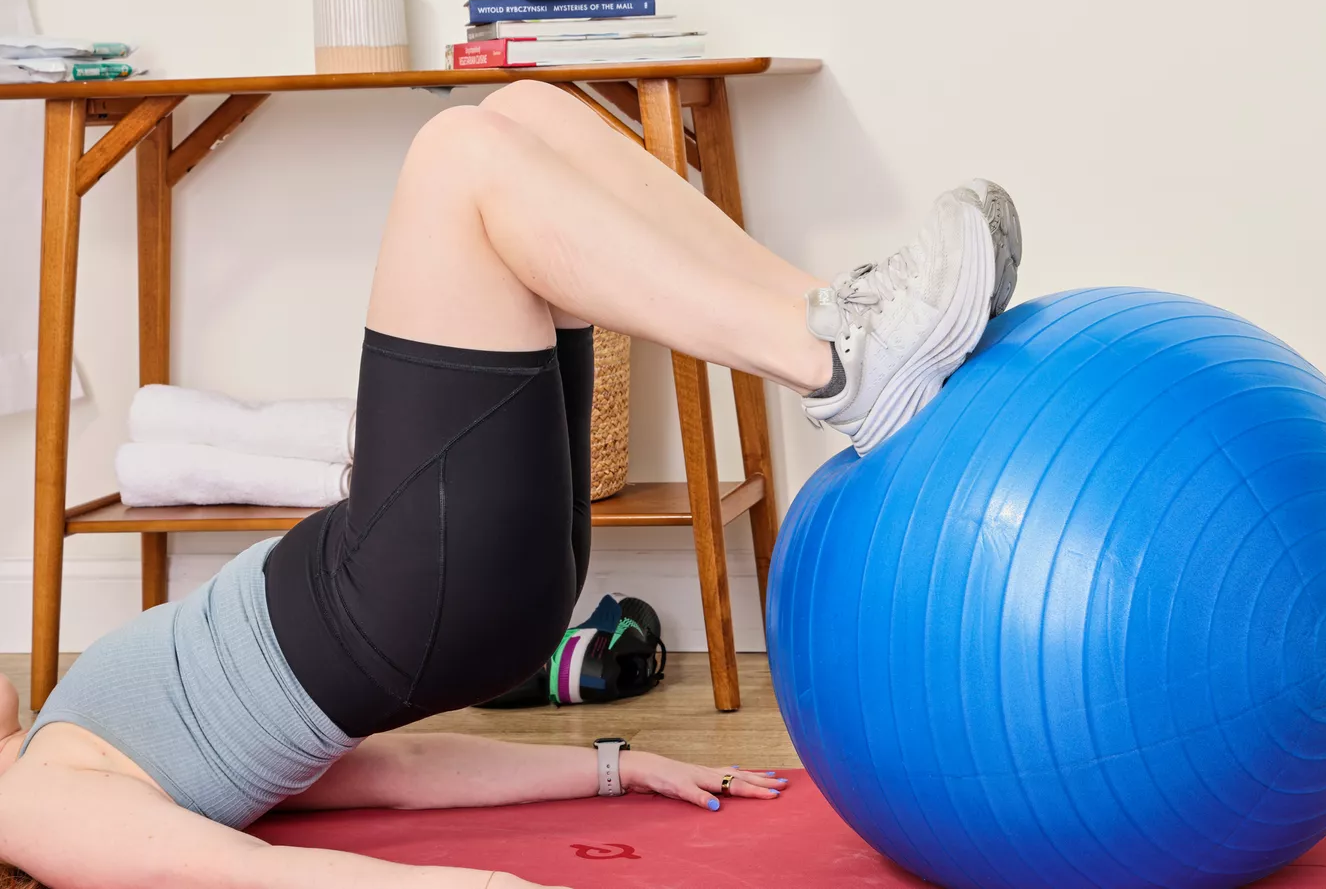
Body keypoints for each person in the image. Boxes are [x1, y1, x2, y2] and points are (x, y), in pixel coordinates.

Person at [0, 80, 1022, 889]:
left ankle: (838, 316)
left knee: (528, 112)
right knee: (458, 158)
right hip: (400, 595)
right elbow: (236, 873)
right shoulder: (26, 804)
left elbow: (396, 775)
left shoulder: (65, 737)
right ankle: (838, 364)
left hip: (437, 590)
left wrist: (617, 765)